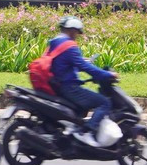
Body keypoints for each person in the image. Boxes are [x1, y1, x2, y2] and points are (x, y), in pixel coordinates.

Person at [43, 16, 120, 146]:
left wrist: (81, 60)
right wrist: (107, 74)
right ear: (72, 30)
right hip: (69, 87)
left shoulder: (55, 41)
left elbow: (63, 62)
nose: (77, 35)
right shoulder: (70, 46)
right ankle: (87, 132)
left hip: (57, 84)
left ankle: (73, 132)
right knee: (104, 103)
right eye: (77, 32)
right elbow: (85, 68)